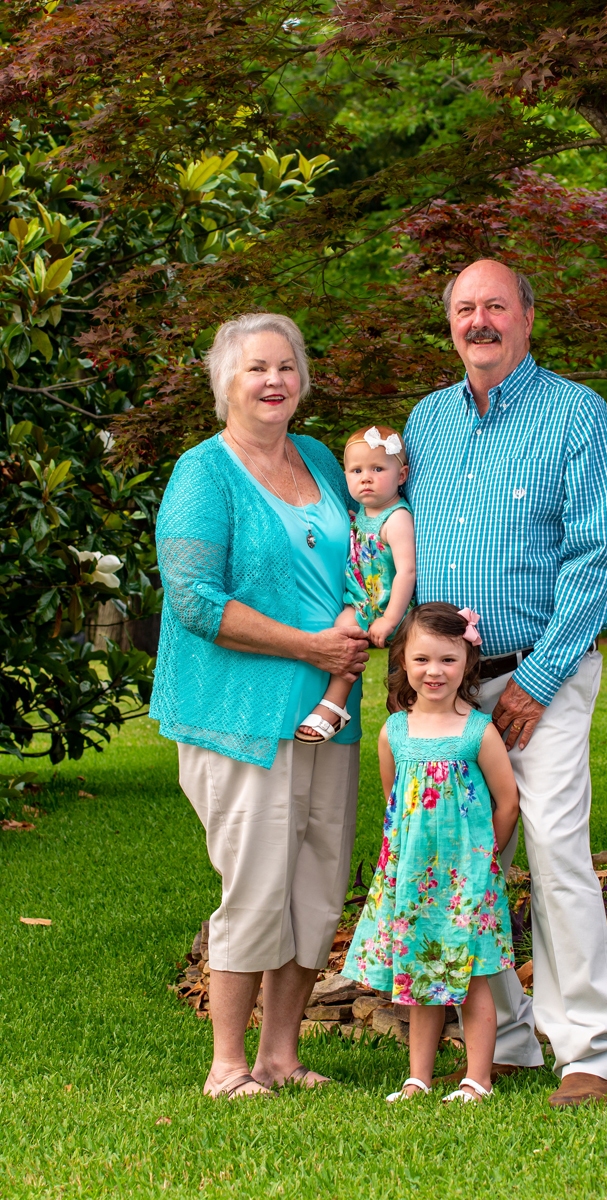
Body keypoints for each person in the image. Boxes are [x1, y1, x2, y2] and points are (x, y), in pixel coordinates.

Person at [403, 259, 607, 1108]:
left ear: (527, 318)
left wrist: (537, 677)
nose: (479, 321)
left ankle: (590, 1051)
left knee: (555, 849)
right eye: (465, 308)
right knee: (464, 858)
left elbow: (595, 555)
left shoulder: (577, 414)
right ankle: (499, 1040)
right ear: (450, 325)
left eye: (495, 305)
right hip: (449, 690)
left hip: (545, 675)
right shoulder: (425, 421)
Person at [151, 311, 369, 1099]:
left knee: (317, 882)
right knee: (254, 884)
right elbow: (194, 601)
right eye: (255, 368)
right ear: (224, 383)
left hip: (328, 711)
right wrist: (310, 645)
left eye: (285, 366)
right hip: (239, 714)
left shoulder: (319, 458)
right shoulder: (203, 474)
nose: (273, 381)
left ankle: (280, 1055)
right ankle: (227, 1065)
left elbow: (363, 558)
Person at [344, 603, 519, 1104]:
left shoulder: (477, 731)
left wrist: (482, 861)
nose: (434, 671)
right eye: (422, 659)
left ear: (467, 663)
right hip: (413, 880)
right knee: (419, 976)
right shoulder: (394, 732)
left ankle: (477, 1079)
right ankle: (417, 1078)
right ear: (403, 662)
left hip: (467, 882)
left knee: (474, 977)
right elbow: (395, 802)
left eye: (447, 659)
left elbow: (508, 802)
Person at [295, 424, 416, 742]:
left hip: (392, 609)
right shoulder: (362, 513)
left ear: (401, 475)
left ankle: (336, 705)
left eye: (378, 469)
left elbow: (407, 572)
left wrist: (390, 619)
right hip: (363, 603)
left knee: (406, 685)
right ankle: (336, 705)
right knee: (341, 635)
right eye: (356, 470)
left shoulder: (397, 518)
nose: (366, 478)